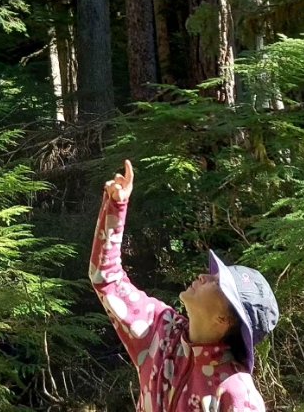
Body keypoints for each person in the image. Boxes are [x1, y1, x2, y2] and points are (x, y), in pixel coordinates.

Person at [89, 160, 279, 412]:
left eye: (216, 282)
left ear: (224, 319)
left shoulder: (237, 393)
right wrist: (116, 205)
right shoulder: (159, 331)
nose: (203, 276)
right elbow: (106, 278)